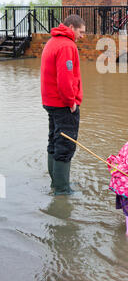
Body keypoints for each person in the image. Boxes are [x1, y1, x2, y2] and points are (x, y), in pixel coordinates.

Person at [41, 14, 85, 195]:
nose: (82, 36)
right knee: (66, 145)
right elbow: (65, 78)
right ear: (72, 27)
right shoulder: (67, 45)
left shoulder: (53, 40)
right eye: (81, 32)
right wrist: (71, 101)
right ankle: (62, 189)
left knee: (54, 141)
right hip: (62, 103)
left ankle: (56, 183)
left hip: (50, 101)